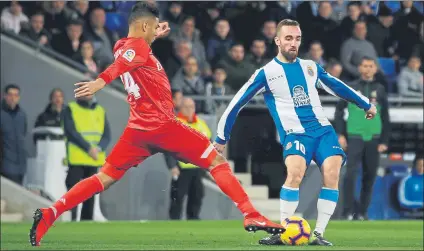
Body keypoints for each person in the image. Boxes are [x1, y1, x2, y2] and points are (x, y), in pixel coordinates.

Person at [29, 3, 284, 247]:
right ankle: (250, 213)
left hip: (137, 131)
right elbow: (121, 64)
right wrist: (100, 82)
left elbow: (129, 57)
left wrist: (154, 37)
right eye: (152, 28)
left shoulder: (124, 45)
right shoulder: (137, 47)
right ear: (142, 27)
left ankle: (51, 212)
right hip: (162, 125)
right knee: (216, 162)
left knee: (103, 178)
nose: (154, 32)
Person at [213, 19, 376, 246]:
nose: (293, 43)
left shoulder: (309, 67)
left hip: (322, 132)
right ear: (277, 40)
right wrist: (222, 137)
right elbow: (237, 102)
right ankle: (283, 231)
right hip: (295, 134)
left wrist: (365, 103)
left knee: (332, 175)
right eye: (288, 38)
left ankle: (318, 234)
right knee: (295, 173)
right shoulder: (266, 73)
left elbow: (337, 85)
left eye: (297, 38)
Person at [335, 57, 390, 221]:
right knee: (350, 175)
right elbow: (339, 113)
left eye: (370, 66)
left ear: (375, 69)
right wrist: (340, 134)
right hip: (354, 137)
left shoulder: (380, 89)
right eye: (364, 66)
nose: (367, 69)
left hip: (373, 138)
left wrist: (384, 141)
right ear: (359, 68)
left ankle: (362, 212)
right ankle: (347, 212)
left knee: (370, 175)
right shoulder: (351, 88)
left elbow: (386, 117)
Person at [62, 95, 111, 221]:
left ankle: (86, 222)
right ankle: (71, 220)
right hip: (77, 159)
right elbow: (71, 132)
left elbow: (107, 135)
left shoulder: (100, 110)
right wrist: (89, 148)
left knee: (90, 195)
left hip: (94, 160)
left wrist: (98, 148)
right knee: (73, 192)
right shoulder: (70, 108)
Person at [169, 97, 211, 220]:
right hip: (181, 167)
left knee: (197, 196)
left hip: (198, 168)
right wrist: (172, 165)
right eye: (186, 107)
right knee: (177, 196)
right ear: (180, 108)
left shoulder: (201, 124)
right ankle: (174, 222)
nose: (189, 110)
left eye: (191, 107)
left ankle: (193, 220)